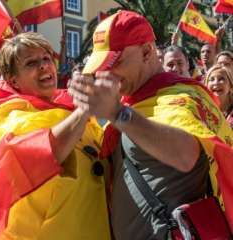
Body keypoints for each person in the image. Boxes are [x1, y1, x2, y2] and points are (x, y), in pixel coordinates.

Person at [69, 10, 233, 239]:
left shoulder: (181, 96)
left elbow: (185, 155)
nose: (106, 73)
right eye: (102, 66)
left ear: (147, 52)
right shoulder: (133, 100)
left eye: (115, 62)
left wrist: (118, 114)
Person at [0, 32, 111, 240]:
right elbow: (45, 150)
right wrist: (85, 108)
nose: (43, 66)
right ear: (13, 80)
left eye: (46, 58)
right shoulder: (8, 118)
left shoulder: (68, 106)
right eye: (31, 63)